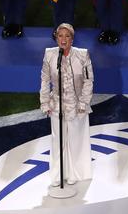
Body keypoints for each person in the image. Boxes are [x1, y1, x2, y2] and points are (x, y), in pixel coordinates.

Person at [40, 23, 94, 186]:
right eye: (60, 36)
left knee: (75, 140)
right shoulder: (50, 54)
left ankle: (74, 173)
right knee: (58, 140)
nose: (63, 39)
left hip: (77, 105)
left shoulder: (82, 55)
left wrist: (84, 102)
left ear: (72, 38)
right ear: (56, 38)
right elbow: (45, 80)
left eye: (67, 36)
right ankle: (58, 174)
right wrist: (45, 103)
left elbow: (88, 80)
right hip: (57, 104)